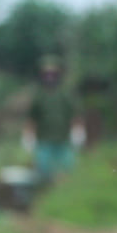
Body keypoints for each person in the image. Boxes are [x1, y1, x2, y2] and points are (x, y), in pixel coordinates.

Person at [24, 56, 83, 184]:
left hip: (64, 139)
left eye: (53, 74)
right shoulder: (38, 97)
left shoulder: (65, 95)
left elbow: (74, 116)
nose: (49, 77)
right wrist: (29, 136)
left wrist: (77, 132)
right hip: (44, 140)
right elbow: (32, 119)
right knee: (44, 171)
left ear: (58, 75)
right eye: (47, 74)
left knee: (68, 169)